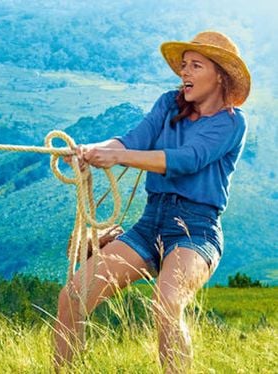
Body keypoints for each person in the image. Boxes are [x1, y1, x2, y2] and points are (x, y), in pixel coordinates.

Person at [54, 31, 250, 373]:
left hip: (197, 231)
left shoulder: (232, 123)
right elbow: (133, 140)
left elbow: (187, 159)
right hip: (150, 223)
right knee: (72, 296)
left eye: (195, 66)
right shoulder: (168, 104)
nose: (184, 73)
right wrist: (90, 150)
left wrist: (118, 158)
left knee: (167, 300)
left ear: (219, 74)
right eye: (183, 65)